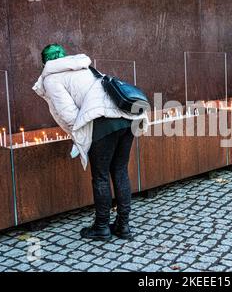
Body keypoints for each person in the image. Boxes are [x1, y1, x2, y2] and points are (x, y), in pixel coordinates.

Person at [33, 44, 147, 241]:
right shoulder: (84, 67)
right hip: (127, 119)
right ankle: (123, 226)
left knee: (101, 176)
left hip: (102, 123)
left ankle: (102, 226)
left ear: (46, 62)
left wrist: (80, 137)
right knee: (120, 170)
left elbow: (69, 114)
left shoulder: (51, 78)